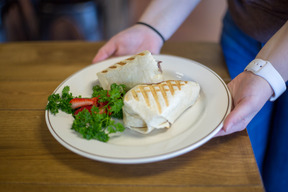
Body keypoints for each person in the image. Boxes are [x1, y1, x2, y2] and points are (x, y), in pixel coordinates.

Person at [92, 0, 288, 191]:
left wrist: (266, 74)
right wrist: (151, 26)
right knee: (244, 157)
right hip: (243, 24)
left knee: (281, 173)